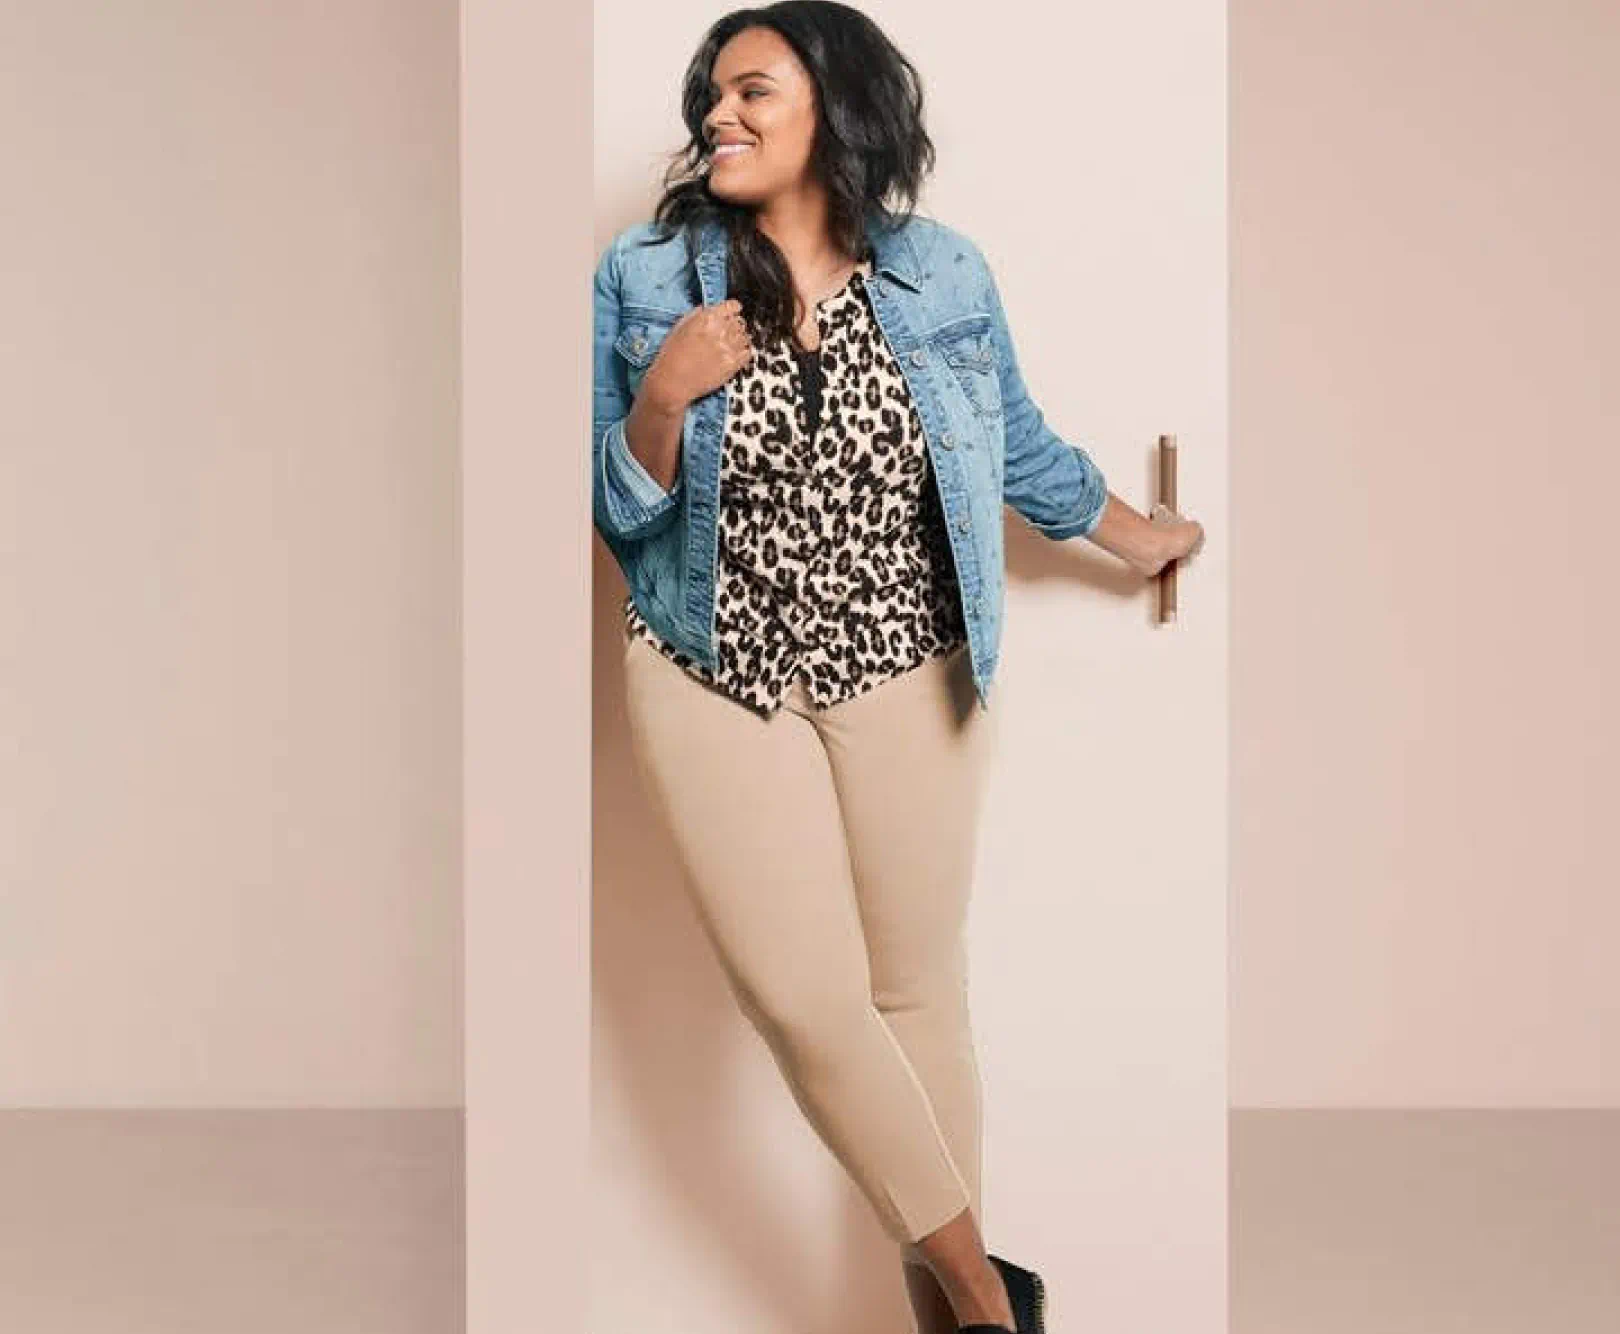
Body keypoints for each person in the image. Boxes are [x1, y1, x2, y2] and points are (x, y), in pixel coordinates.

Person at [591, 5, 1206, 1331]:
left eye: (752, 90)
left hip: (910, 667)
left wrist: (1137, 534)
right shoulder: (648, 279)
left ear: (837, 106)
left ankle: (944, 1323)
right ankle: (992, 1299)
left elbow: (1021, 449)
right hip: (714, 669)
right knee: (806, 998)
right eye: (710, 93)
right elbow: (618, 510)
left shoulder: (943, 274)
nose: (717, 115)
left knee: (920, 990)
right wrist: (662, 399)